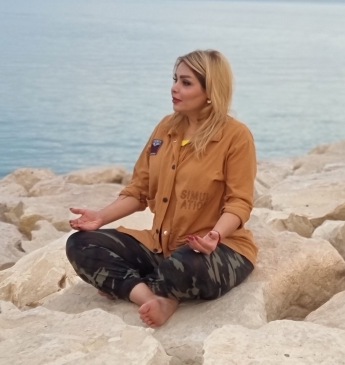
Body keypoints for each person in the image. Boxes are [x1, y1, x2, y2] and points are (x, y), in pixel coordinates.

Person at [65, 49, 257, 327]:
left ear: (210, 90)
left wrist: (215, 235)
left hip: (214, 249)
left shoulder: (236, 136)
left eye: (186, 82)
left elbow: (239, 202)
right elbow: (139, 189)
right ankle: (153, 298)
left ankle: (130, 283)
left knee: (184, 264)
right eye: (175, 79)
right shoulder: (165, 129)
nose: (174, 88)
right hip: (161, 245)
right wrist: (100, 217)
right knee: (80, 244)